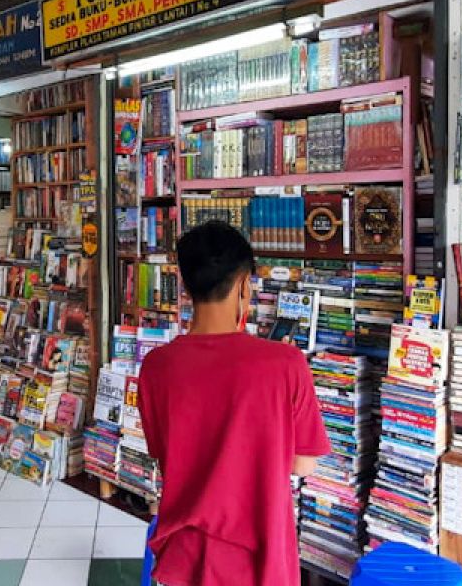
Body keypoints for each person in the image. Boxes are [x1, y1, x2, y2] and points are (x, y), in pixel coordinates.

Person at [139, 221, 330, 586]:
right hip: (261, 557)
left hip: (184, 555)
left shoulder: (156, 365)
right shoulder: (286, 364)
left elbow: (165, 454)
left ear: (184, 285)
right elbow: (304, 464)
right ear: (245, 284)